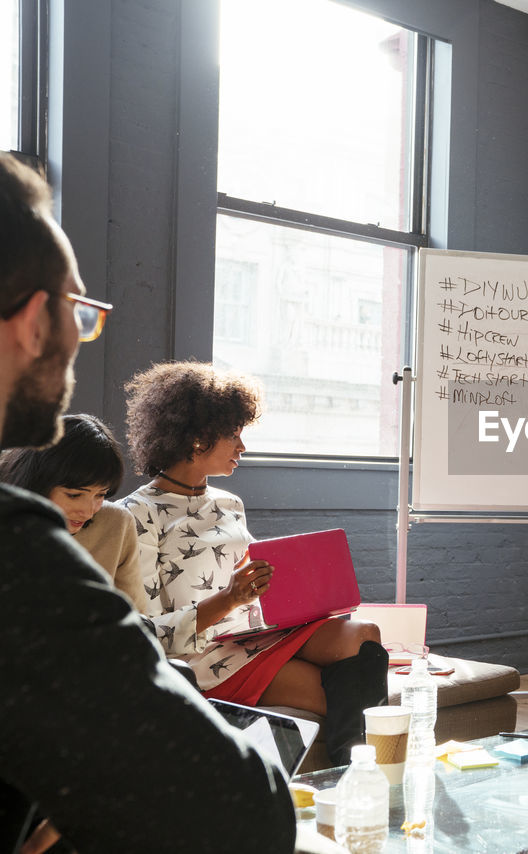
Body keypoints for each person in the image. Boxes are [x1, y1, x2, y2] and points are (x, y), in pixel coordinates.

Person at [0, 153, 295, 852]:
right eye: (80, 309)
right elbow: (239, 811)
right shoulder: (15, 551)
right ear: (35, 321)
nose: (81, 332)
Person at [120, 360, 387, 766]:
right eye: (233, 435)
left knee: (364, 633)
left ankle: (359, 782)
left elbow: (255, 590)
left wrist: (305, 596)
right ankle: (355, 784)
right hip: (205, 658)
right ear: (197, 439)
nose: (242, 447)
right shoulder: (136, 515)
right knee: (343, 698)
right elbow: (148, 635)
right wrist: (228, 599)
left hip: (258, 634)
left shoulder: (230, 504)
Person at [0, 412, 147, 610]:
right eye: (74, 495)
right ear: (36, 483)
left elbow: (136, 620)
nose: (88, 512)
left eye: (101, 495)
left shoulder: (116, 524)